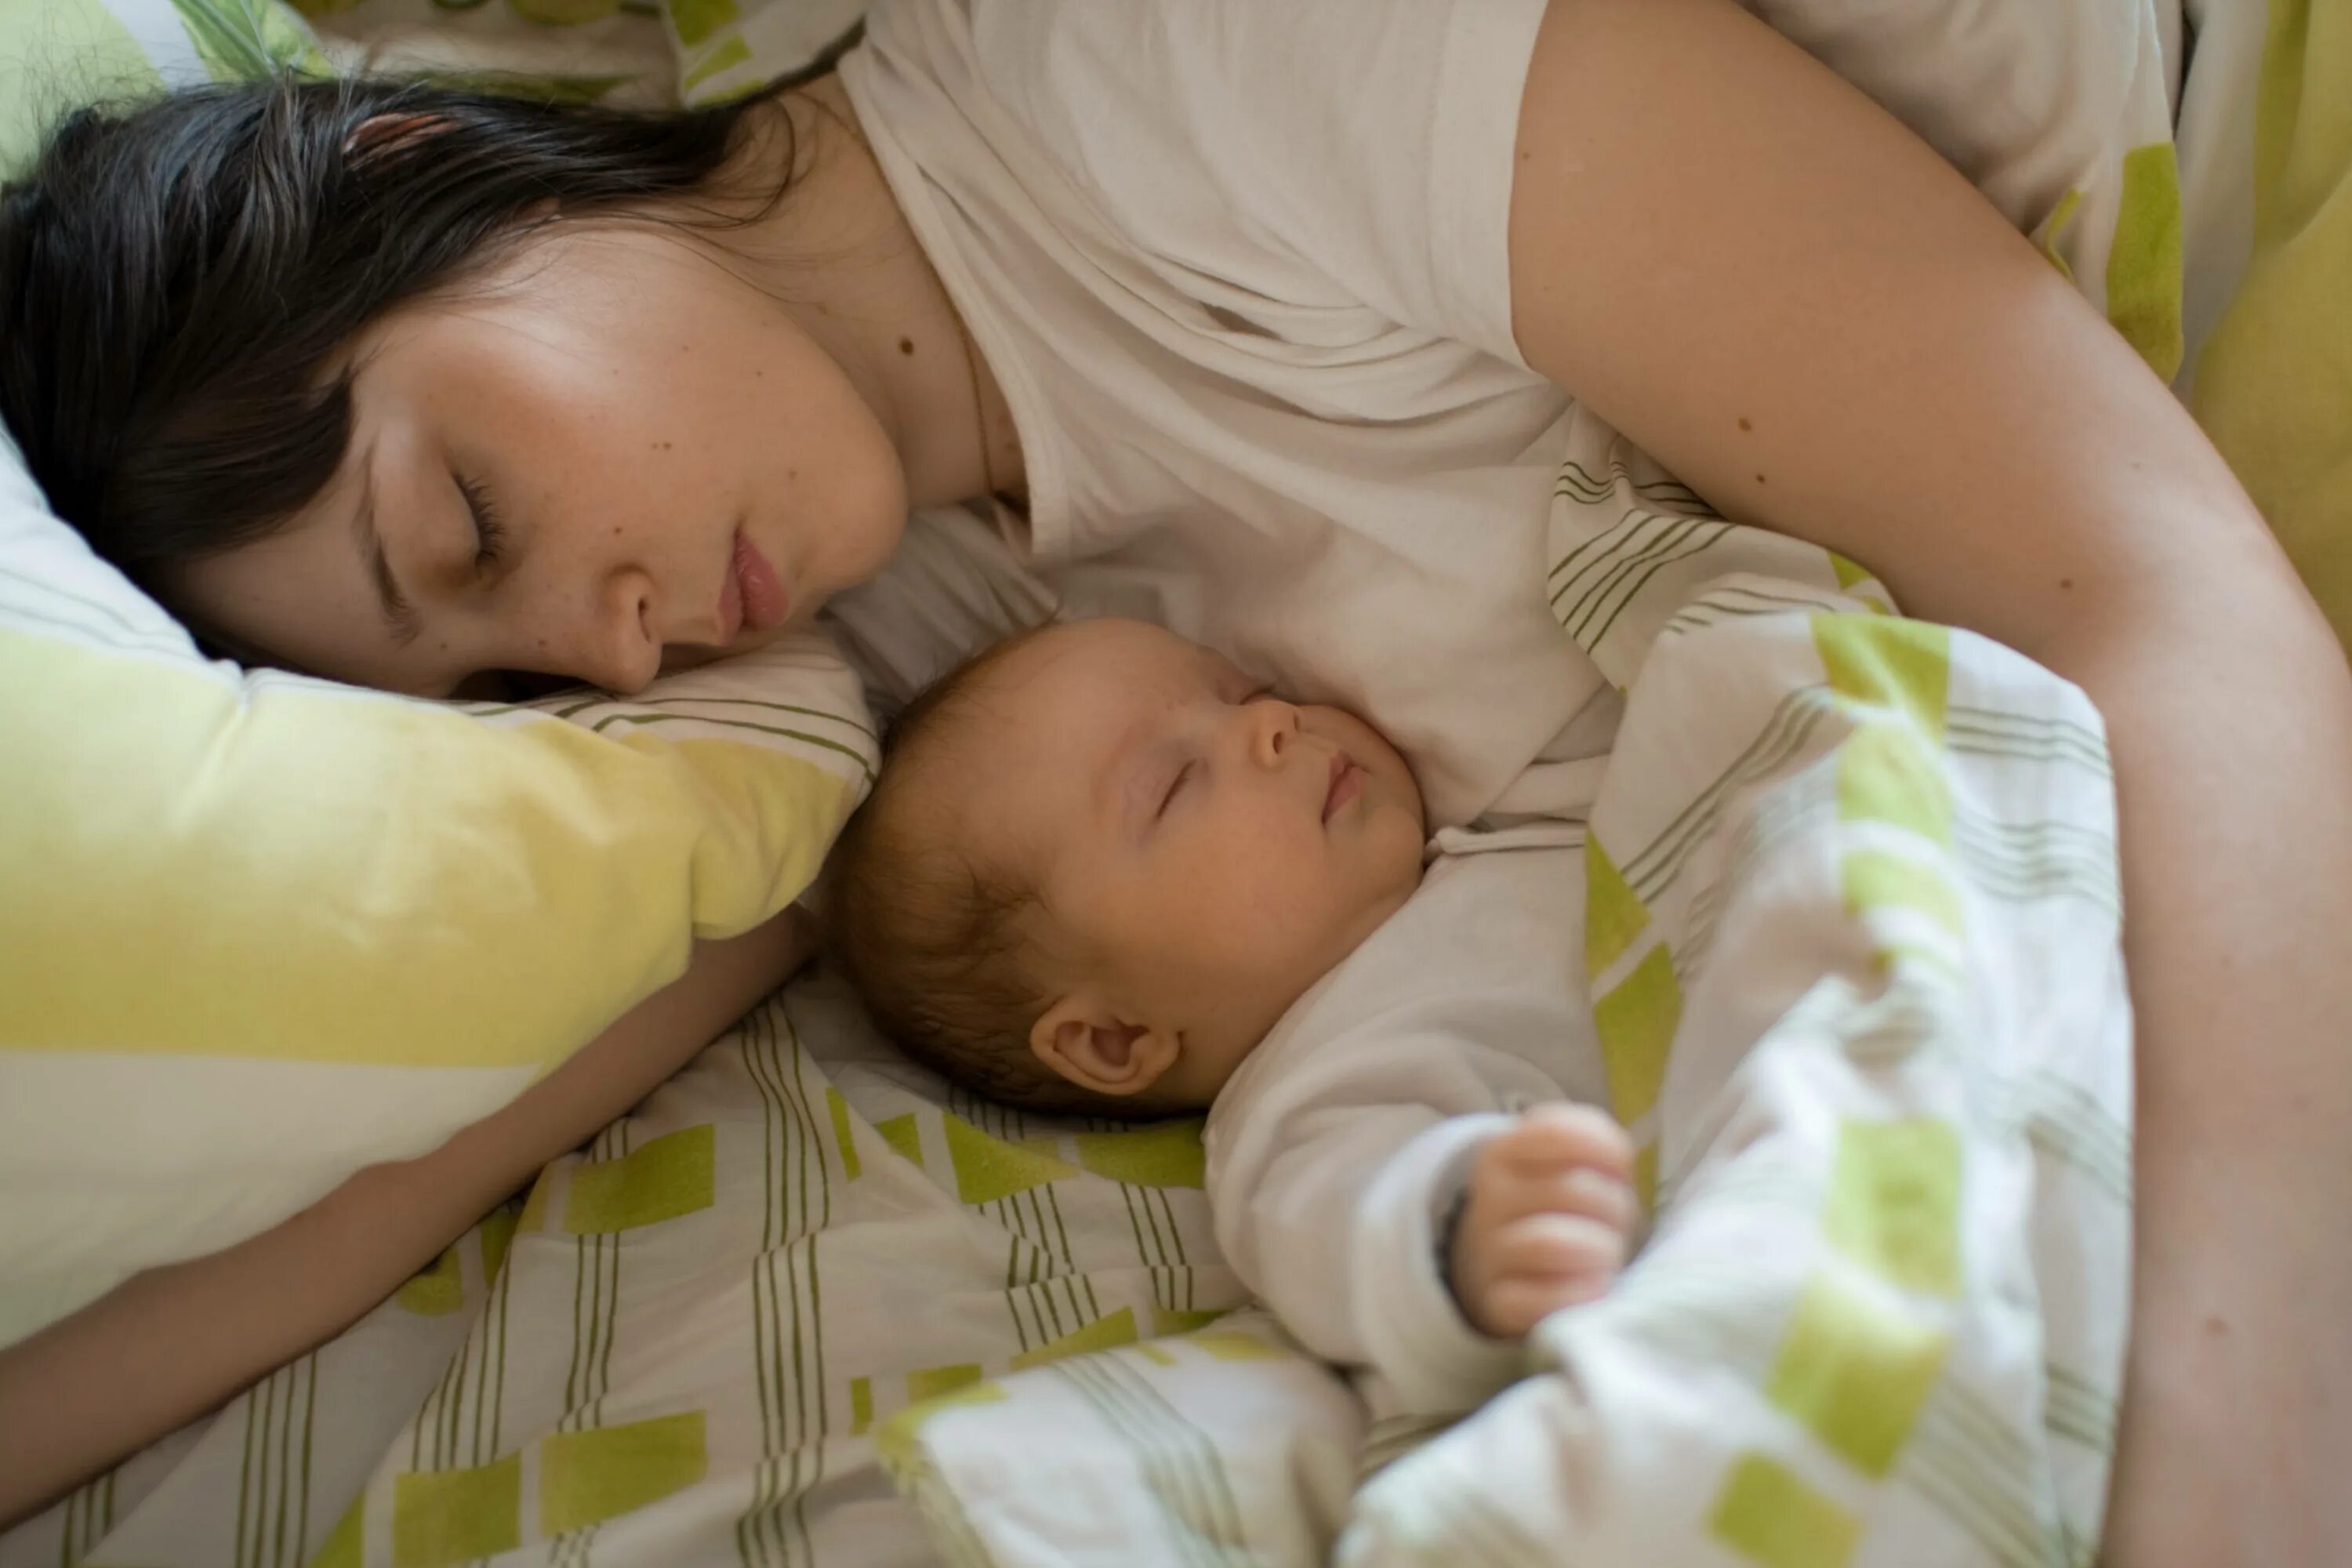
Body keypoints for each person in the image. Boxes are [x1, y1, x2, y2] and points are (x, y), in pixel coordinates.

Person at [0, 2, 2342, 1560]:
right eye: (498, 666)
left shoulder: (1195, 71)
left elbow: (2147, 597)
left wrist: (2225, 1495)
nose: (609, 636)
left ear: (417, 160)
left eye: (475, 521)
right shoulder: (866, 680)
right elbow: (392, 1175)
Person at [829, 615, 1642, 1366]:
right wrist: (1459, 1233)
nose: (1271, 722)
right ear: (1115, 1037)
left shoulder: (1491, 828)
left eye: (1245, 692)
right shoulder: (1314, 1091)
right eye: (1179, 783)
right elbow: (1329, 1230)